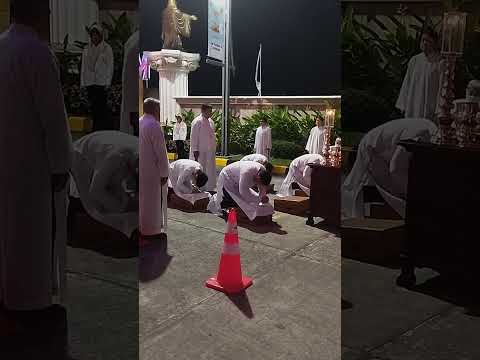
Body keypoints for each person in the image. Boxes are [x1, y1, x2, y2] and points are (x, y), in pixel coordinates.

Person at [0, 0, 73, 341]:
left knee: (7, 228)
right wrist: (61, 165)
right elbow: (53, 120)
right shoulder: (37, 53)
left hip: (7, 158)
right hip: (31, 165)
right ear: (34, 13)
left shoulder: (3, 46)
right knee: (31, 235)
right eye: (45, 12)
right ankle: (29, 301)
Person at [342, 118, 438, 219]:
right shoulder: (424, 132)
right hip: (372, 150)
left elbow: (397, 167)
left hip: (374, 148)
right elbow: (395, 168)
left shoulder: (423, 133)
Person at [70, 131, 139, 238]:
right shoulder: (116, 157)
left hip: (106, 148)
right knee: (94, 206)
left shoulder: (140, 153)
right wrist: (121, 207)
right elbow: (95, 191)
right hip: (80, 153)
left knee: (116, 194)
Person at [396, 27, 442, 122]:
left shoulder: (440, 62)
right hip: (413, 103)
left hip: (430, 104)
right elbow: (407, 82)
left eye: (428, 40)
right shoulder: (415, 60)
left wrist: (439, 109)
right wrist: (403, 104)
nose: (425, 43)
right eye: (423, 40)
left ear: (434, 43)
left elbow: (442, 87)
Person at [139, 98, 169, 239]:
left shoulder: (140, 122)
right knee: (152, 201)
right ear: (155, 109)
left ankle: (143, 228)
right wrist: (164, 173)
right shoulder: (154, 125)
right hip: (152, 171)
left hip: (141, 169)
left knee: (143, 200)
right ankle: (152, 231)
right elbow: (161, 152)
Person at [208, 161, 273, 221]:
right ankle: (216, 202)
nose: (257, 184)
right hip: (227, 177)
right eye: (258, 182)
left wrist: (263, 197)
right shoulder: (247, 172)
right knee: (230, 198)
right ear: (258, 177)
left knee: (240, 200)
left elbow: (262, 187)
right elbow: (243, 193)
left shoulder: (263, 171)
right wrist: (258, 199)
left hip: (238, 180)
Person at [81, 23, 114, 132]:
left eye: (96, 35)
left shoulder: (107, 48)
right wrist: (83, 83)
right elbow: (83, 67)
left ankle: (101, 128)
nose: (94, 37)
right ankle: (95, 129)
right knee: (93, 107)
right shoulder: (86, 49)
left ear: (100, 36)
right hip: (90, 82)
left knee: (101, 107)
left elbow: (110, 66)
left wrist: (108, 82)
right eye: (92, 35)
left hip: (102, 83)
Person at [189, 104, 216, 191]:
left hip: (209, 152)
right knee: (199, 169)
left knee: (210, 169)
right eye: (209, 111)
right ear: (203, 111)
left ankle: (209, 188)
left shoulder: (211, 122)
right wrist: (195, 150)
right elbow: (193, 137)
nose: (210, 113)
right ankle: (198, 187)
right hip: (200, 151)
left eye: (211, 111)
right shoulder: (197, 121)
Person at [120, 29, 139, 136]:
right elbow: (144, 74)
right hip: (138, 96)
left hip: (132, 94)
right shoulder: (141, 41)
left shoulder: (134, 38)